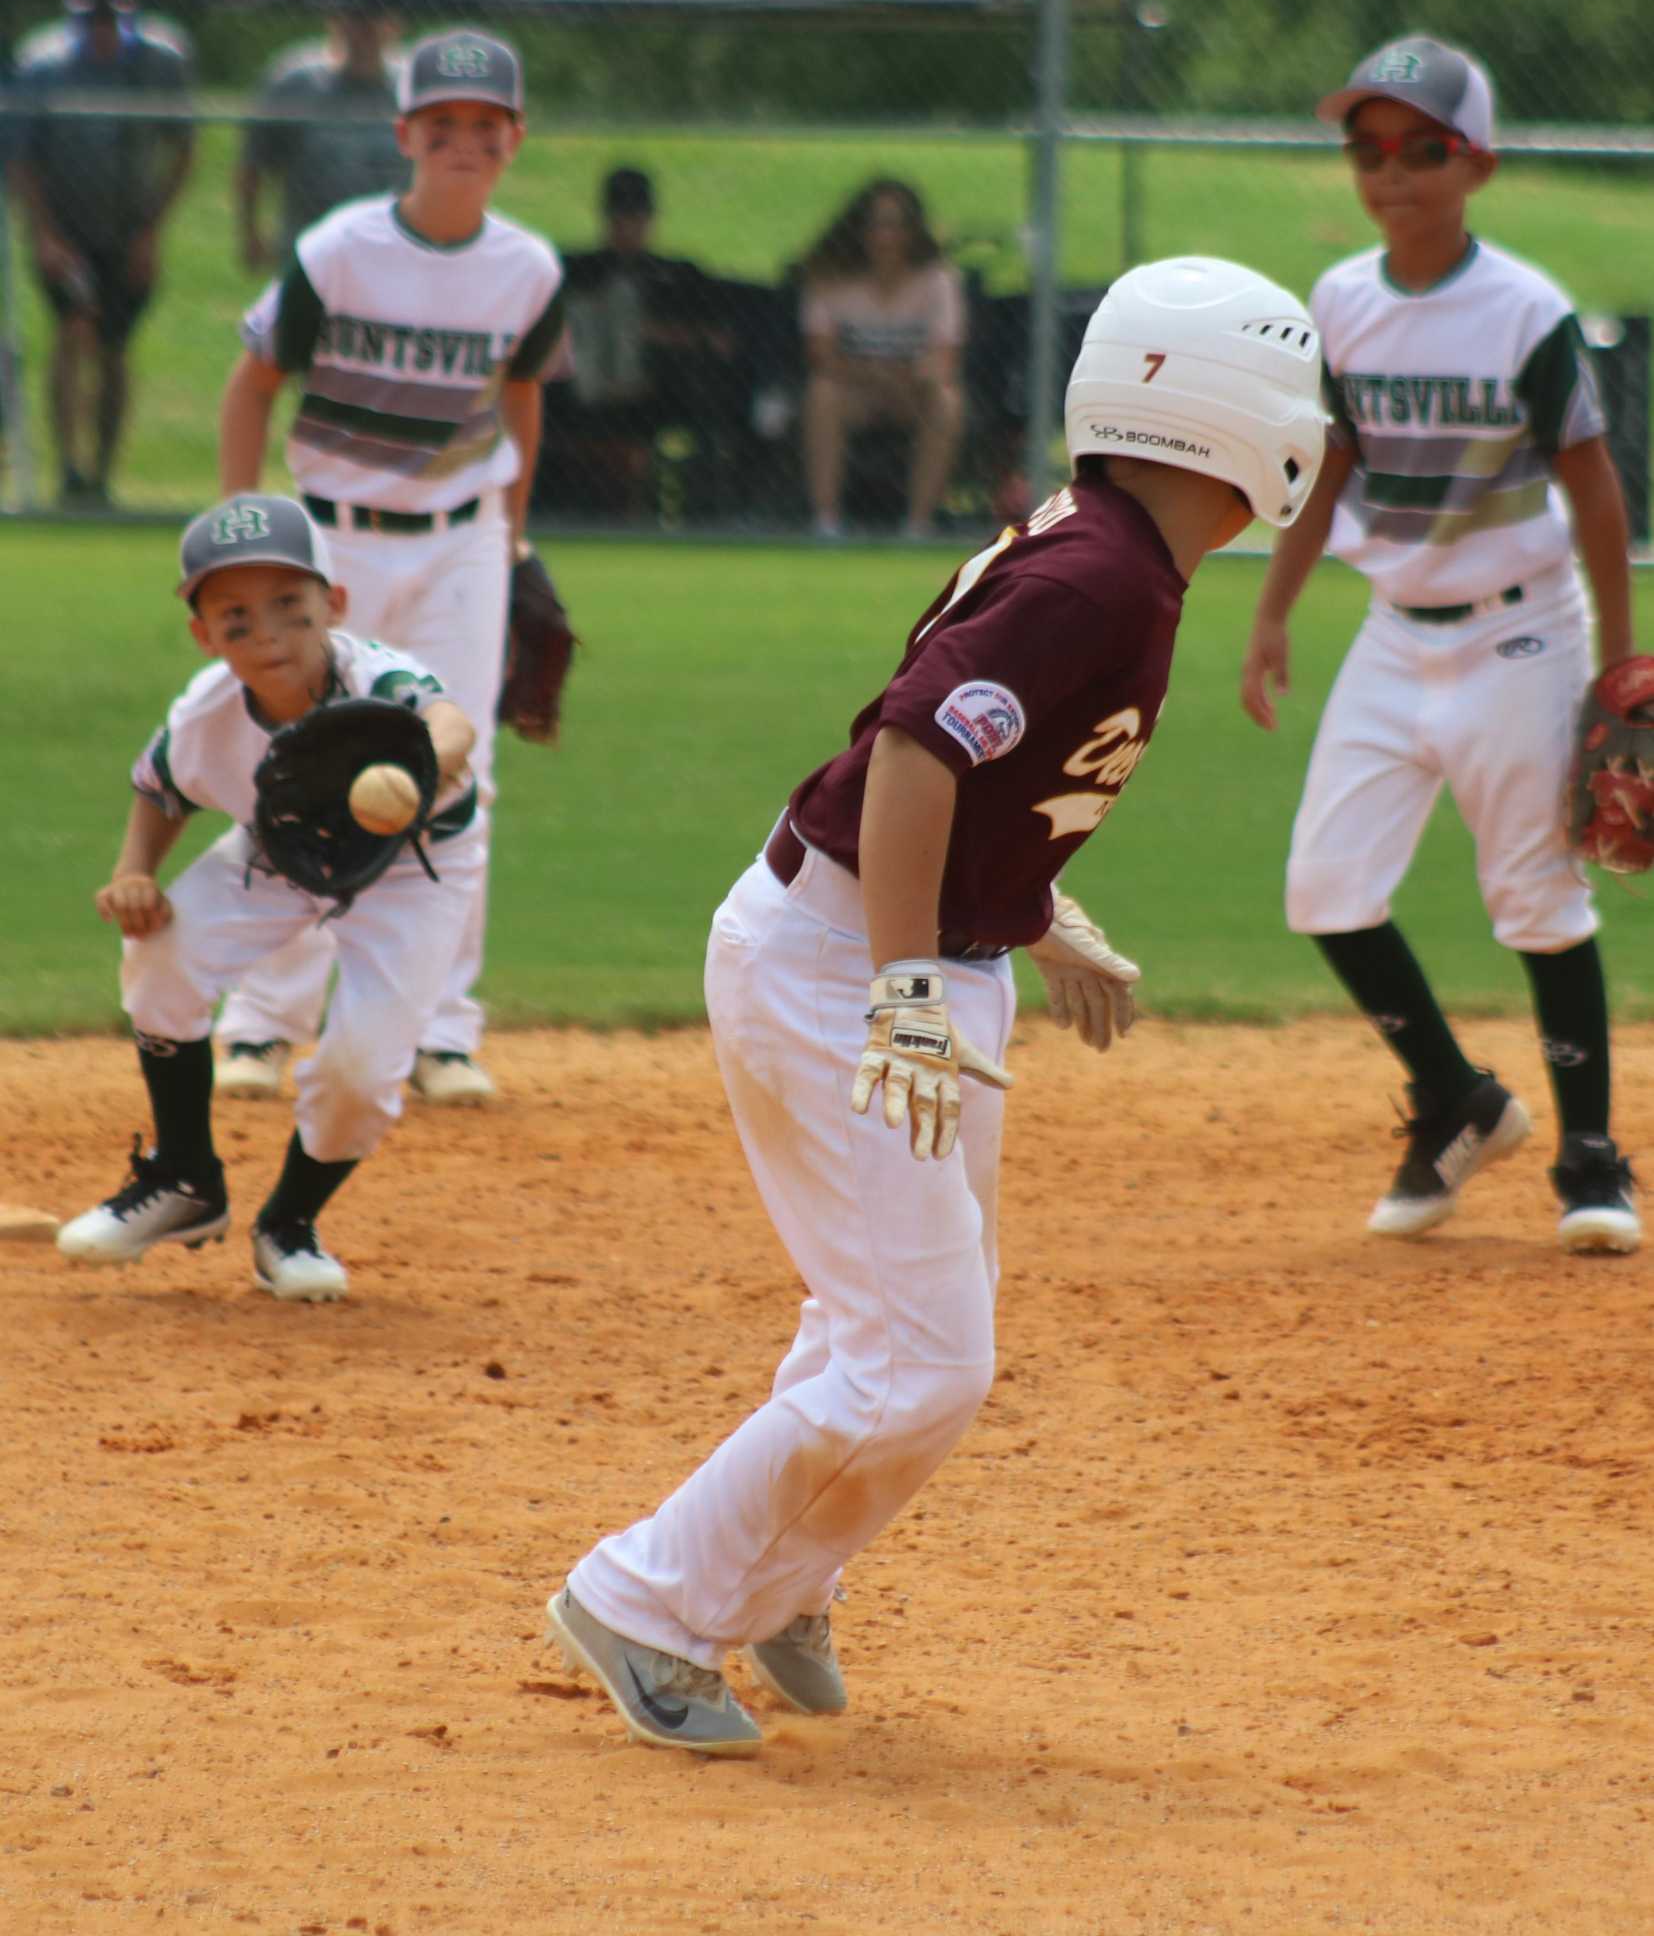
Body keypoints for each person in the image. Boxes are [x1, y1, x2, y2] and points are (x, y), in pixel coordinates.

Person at [543, 254, 1329, 1755]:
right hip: (852, 960)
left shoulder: (1114, 557)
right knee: (925, 1356)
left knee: (883, 1331)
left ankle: (776, 1581)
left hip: (901, 953)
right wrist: (905, 981)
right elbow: (910, 753)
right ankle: (645, 1600)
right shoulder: (1096, 573)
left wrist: (1034, 920)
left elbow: (986, 783)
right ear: (1236, 417)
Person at [1239, 34, 1641, 1256]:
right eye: (1367, 148)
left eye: (1422, 148)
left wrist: (1621, 679)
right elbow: (1331, 462)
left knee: (1533, 894)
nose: (1391, 171)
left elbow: (1595, 489)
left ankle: (1590, 1156)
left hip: (1522, 630)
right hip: (1390, 631)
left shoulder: (1525, 309)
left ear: (1478, 163)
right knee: (1325, 886)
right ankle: (1462, 1099)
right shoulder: (1342, 302)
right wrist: (1271, 608)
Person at [209, 27, 568, 1109]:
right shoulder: (338, 251)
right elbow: (252, 383)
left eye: (485, 126)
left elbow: (520, 399)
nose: (464, 142)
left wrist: (512, 540)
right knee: (297, 756)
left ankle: (439, 1030)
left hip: (461, 538)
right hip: (332, 540)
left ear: (513, 141)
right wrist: (248, 532)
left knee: (460, 771)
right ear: (405, 133)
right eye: (443, 124)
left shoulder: (528, 268)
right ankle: (261, 1025)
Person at [55, 493, 480, 1302]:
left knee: (363, 1067)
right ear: (204, 635)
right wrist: (133, 872)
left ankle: (288, 1225)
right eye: (237, 618)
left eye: (290, 606)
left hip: (415, 862)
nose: (269, 633)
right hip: (285, 846)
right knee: (161, 956)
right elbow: (162, 788)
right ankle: (185, 1180)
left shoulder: (380, 677)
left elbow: (452, 723)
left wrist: (414, 759)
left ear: (336, 606)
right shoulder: (207, 710)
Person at [11, 0, 194, 509]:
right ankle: (67, 470)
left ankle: (102, 474)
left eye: (111, 20)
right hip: (66, 229)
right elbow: (23, 160)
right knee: (73, 330)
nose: (102, 31)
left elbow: (181, 149)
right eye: (92, 20)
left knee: (114, 345)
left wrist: (151, 231)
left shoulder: (159, 63)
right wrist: (44, 234)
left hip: (126, 230)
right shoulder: (43, 65)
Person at [545, 165, 738, 519]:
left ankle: (622, 364)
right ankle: (610, 369)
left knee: (622, 302)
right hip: (579, 386)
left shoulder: (680, 275)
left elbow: (718, 338)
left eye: (636, 218)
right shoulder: (576, 268)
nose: (629, 228)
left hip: (660, 389)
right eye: (620, 218)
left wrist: (644, 333)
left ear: (651, 220)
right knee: (597, 309)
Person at [799, 178, 967, 541]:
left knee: (947, 400)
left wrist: (903, 378)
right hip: (855, 392)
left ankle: (918, 524)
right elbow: (822, 356)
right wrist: (875, 375)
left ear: (913, 231)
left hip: (912, 393)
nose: (885, 236)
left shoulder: (938, 280)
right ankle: (826, 521)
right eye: (875, 224)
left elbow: (943, 360)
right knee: (822, 393)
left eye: (895, 225)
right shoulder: (831, 277)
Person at [236, 4, 407, 273]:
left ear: (394, 26)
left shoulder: (411, 87)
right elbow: (254, 164)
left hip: (392, 252)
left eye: (374, 20)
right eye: (354, 19)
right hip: (308, 246)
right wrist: (251, 232)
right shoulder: (296, 82)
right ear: (335, 22)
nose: (363, 31)